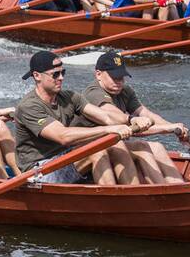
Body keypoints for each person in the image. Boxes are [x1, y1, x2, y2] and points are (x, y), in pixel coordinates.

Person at [14, 51, 139, 186]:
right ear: (37, 76)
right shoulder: (29, 106)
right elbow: (63, 136)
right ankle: (111, 200)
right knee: (96, 151)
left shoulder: (70, 97)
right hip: (39, 172)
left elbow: (106, 117)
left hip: (63, 158)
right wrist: (110, 129)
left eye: (63, 73)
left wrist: (131, 120)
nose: (61, 78)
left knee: (117, 145)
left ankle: (135, 195)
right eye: (55, 74)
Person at [80, 52, 188, 184]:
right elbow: (118, 119)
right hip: (85, 152)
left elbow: (146, 114)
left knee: (157, 147)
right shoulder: (93, 92)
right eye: (115, 77)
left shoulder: (124, 91)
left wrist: (175, 127)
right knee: (140, 147)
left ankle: (176, 190)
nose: (120, 82)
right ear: (98, 74)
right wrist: (166, 129)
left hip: (110, 145)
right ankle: (152, 194)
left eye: (122, 77)